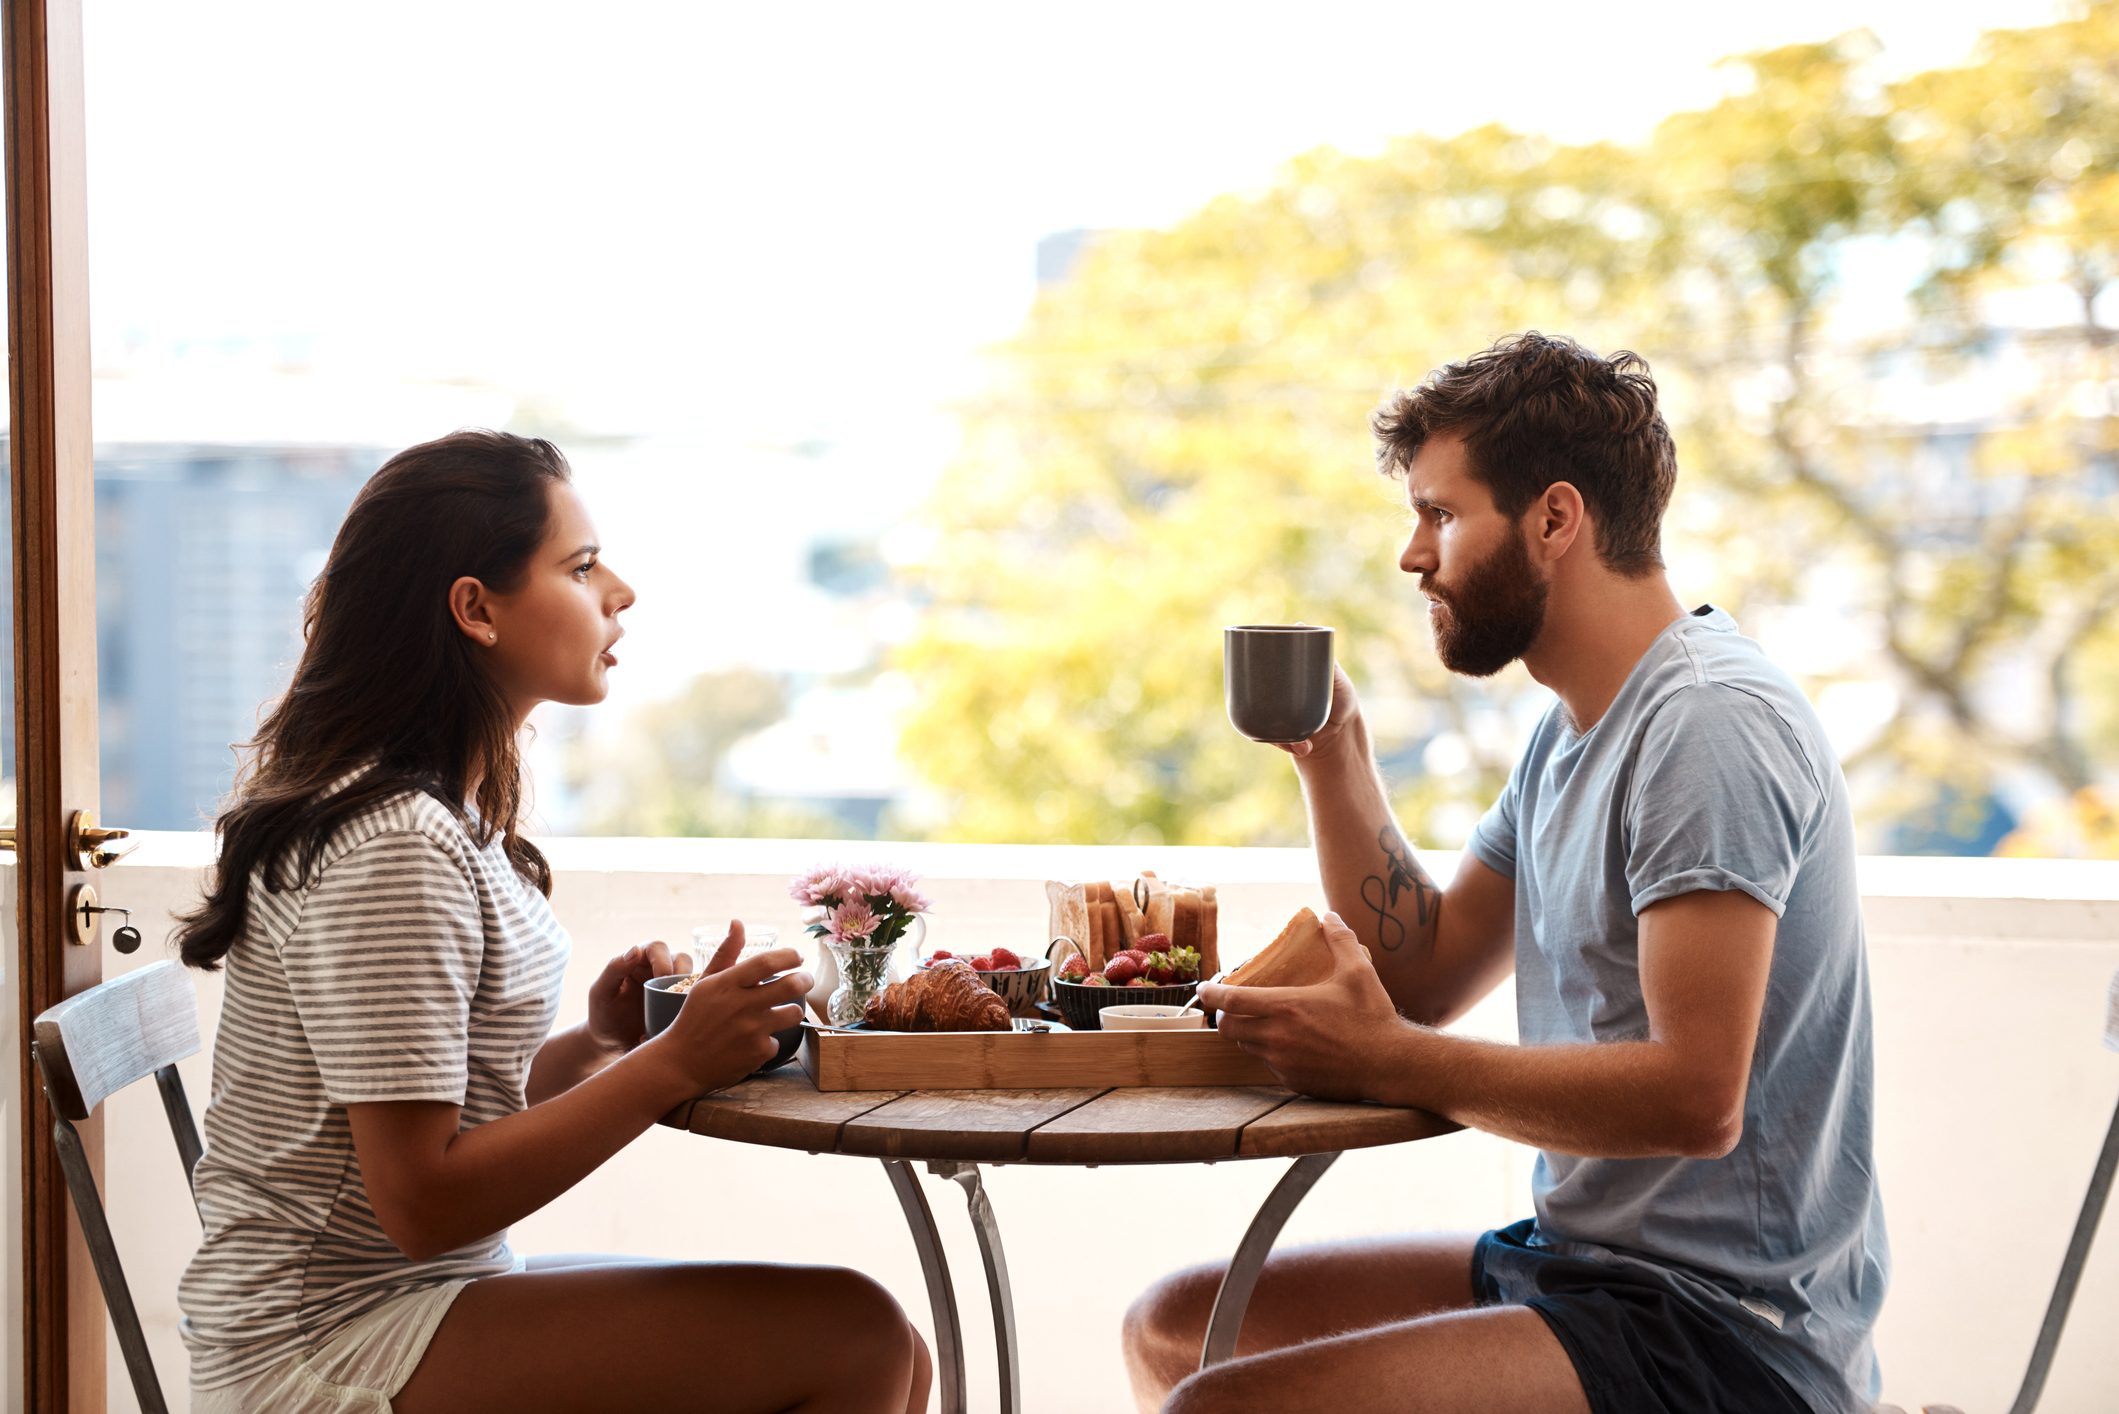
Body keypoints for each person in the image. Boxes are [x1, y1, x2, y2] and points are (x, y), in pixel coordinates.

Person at [1125, 334, 1888, 1414]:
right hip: (1582, 1267)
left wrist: (1394, 1062)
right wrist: (1334, 748)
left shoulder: (1706, 722)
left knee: (1225, 1408)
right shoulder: (1570, 734)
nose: (1412, 555)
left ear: (1555, 518)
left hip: (1725, 1331)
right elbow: (1422, 974)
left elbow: (1695, 1096)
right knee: (1176, 1329)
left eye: (1440, 514)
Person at [174, 429, 931, 1414]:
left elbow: (429, 1111)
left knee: (893, 1345)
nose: (619, 591)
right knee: (854, 1336)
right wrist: (670, 1064)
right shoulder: (393, 841)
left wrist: (599, 1042)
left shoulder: (443, 812)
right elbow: (422, 1202)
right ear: (475, 609)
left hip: (417, 1300)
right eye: (579, 567)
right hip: (321, 1348)